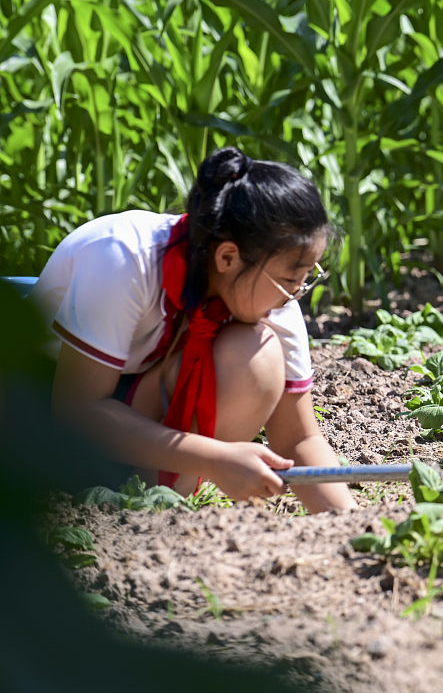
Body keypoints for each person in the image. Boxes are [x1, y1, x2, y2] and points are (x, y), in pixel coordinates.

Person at [31, 146, 355, 513]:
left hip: (124, 404)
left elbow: (297, 437)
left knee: (255, 355)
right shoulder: (122, 257)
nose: (294, 293)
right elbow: (77, 409)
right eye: (291, 278)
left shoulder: (266, 288)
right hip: (37, 413)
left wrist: (353, 525)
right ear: (228, 257)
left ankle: (151, 505)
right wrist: (216, 459)